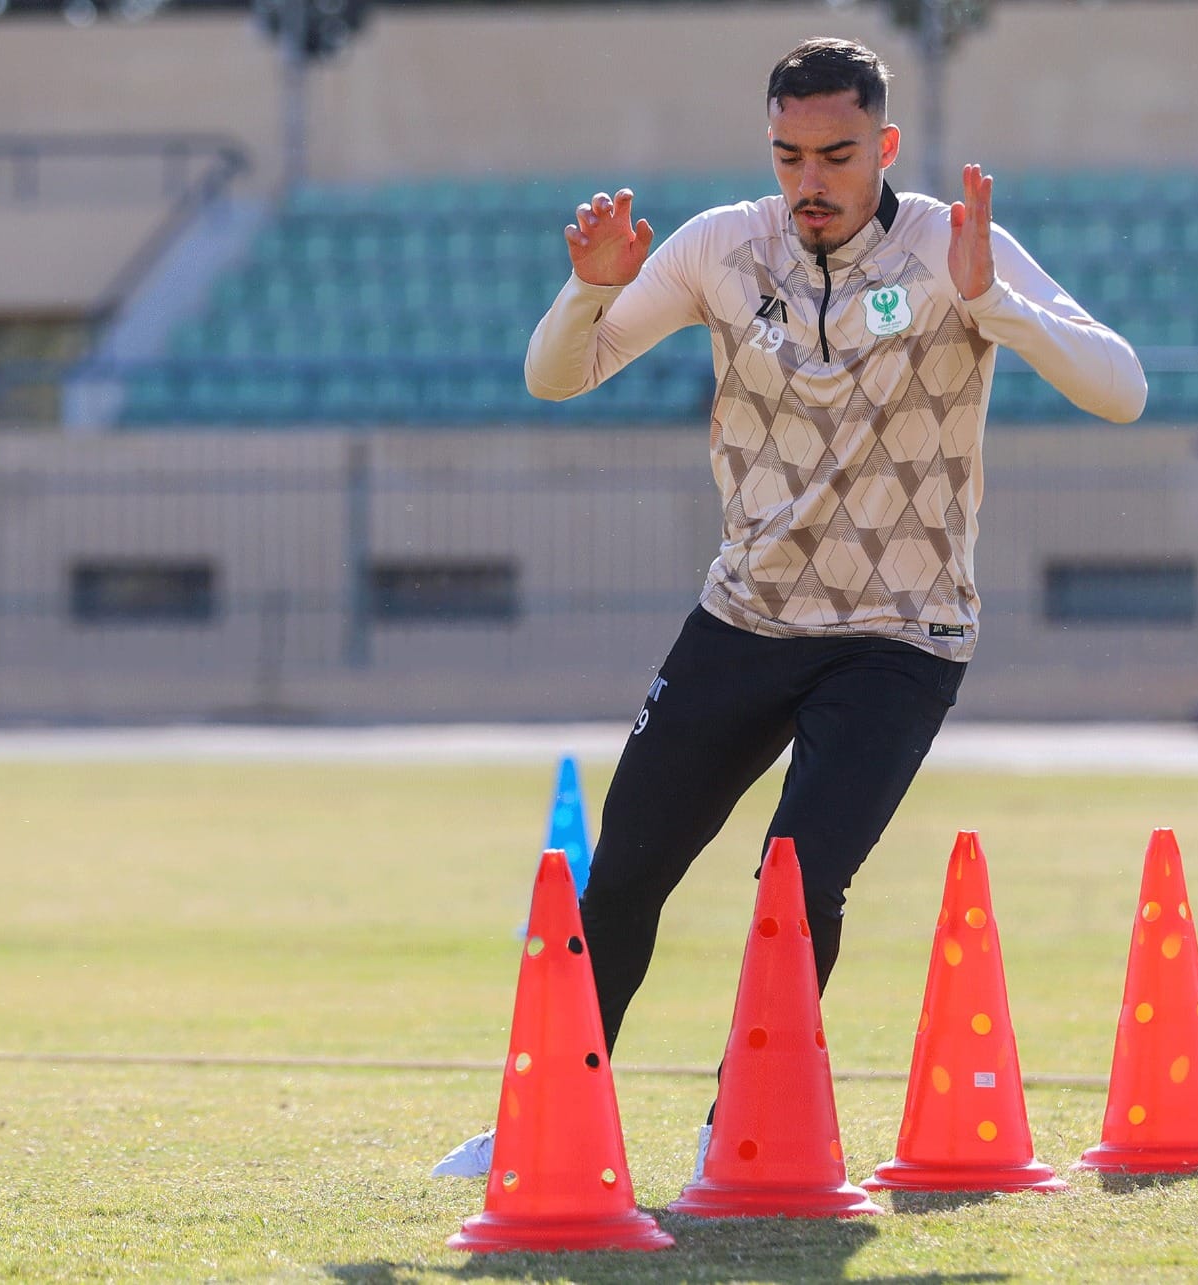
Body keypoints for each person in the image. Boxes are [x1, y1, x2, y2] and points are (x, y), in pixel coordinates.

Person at [433, 35, 1146, 1178]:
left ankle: (742, 1129)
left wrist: (993, 303)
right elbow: (557, 376)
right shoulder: (722, 245)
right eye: (787, 155)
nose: (810, 180)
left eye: (836, 155)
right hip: (745, 616)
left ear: (886, 145)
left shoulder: (953, 247)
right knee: (625, 870)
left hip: (901, 633)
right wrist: (589, 290)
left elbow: (1122, 390)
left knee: (799, 880)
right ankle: (546, 1121)